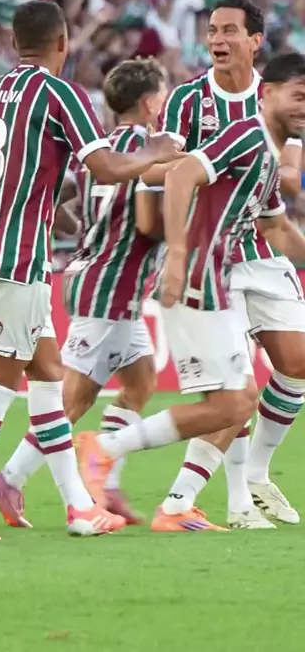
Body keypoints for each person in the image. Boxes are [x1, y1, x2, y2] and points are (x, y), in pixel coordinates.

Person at [0, 0, 181, 541]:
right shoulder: (61, 94)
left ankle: (79, 507)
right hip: (14, 260)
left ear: (16, 44)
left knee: (46, 379)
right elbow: (105, 167)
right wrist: (153, 151)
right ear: (63, 43)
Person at [76, 52, 305, 532]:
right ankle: (106, 450)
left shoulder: (266, 152)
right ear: (267, 94)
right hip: (198, 277)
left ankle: (177, 506)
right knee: (233, 403)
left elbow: (276, 228)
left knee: (238, 400)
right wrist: (179, 255)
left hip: (214, 277)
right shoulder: (247, 135)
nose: (304, 108)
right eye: (298, 96)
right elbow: (179, 174)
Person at [0, 57, 169, 528]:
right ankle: (9, 479)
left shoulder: (100, 151)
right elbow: (149, 222)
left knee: (141, 381)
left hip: (103, 280)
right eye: (162, 96)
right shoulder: (147, 152)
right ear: (150, 103)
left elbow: (60, 194)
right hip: (109, 286)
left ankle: (106, 483)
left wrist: (81, 229)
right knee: (71, 401)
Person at [150, 0, 305, 529]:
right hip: (211, 254)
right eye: (212, 30)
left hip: (264, 247)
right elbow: (160, 167)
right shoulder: (188, 99)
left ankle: (256, 475)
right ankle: (208, 502)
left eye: (229, 30)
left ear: (255, 41)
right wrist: (208, 162)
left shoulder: (281, 95)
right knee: (236, 388)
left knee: (297, 362)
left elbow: (288, 179)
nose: (217, 39)